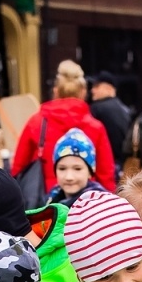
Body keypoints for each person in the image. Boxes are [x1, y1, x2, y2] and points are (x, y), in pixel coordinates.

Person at [11, 59, 117, 194]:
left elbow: (18, 168)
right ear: (83, 92)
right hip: (86, 200)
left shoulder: (36, 122)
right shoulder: (96, 127)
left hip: (44, 202)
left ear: (55, 91)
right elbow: (106, 175)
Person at [47, 127, 109, 206]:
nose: (69, 177)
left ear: (90, 172)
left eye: (77, 169)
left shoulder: (100, 205)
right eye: (62, 168)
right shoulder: (51, 199)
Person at [89, 71, 132, 175]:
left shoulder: (96, 109)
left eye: (97, 86)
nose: (92, 90)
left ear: (109, 88)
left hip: (105, 165)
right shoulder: (125, 110)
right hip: (122, 166)